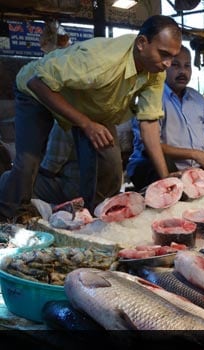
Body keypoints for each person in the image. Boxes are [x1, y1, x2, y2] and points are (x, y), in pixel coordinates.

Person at [0, 15, 182, 218]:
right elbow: (38, 83)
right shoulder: (102, 60)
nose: (168, 63)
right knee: (28, 162)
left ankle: (94, 219)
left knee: (111, 166)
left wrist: (166, 181)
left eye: (172, 57)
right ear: (142, 43)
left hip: (89, 104)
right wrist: (85, 124)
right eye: (163, 54)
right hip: (36, 90)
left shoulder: (156, 71)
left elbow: (149, 123)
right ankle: (8, 218)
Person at [126, 46, 204, 190]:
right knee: (154, 163)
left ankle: (196, 188)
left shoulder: (197, 98)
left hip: (196, 167)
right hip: (161, 164)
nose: (182, 71)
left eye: (187, 66)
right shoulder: (151, 97)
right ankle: (184, 190)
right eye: (176, 65)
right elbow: (149, 146)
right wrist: (194, 154)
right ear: (165, 67)